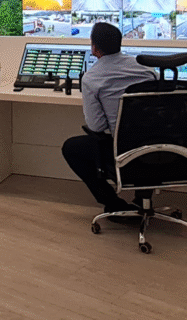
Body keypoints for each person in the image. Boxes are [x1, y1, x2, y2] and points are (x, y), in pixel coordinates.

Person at [61, 22, 156, 214]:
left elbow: (96, 126)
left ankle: (114, 205)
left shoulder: (91, 78)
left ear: (94, 48)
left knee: (70, 148)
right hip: (157, 148)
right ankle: (141, 199)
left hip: (122, 150)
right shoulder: (148, 70)